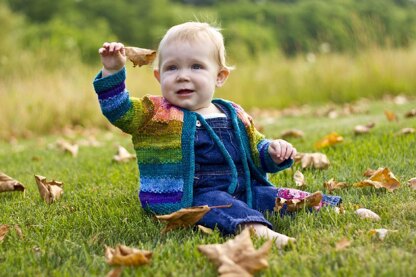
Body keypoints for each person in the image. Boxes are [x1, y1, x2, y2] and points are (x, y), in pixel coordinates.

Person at [93, 22, 341, 248]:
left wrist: (273, 152)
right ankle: (256, 230)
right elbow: (119, 110)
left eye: (196, 66)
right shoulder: (154, 113)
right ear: (159, 77)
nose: (182, 75)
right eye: (171, 68)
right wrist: (112, 72)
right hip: (193, 196)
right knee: (221, 205)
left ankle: (326, 206)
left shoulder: (233, 112)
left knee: (276, 196)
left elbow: (257, 149)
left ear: (220, 76)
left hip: (245, 189)